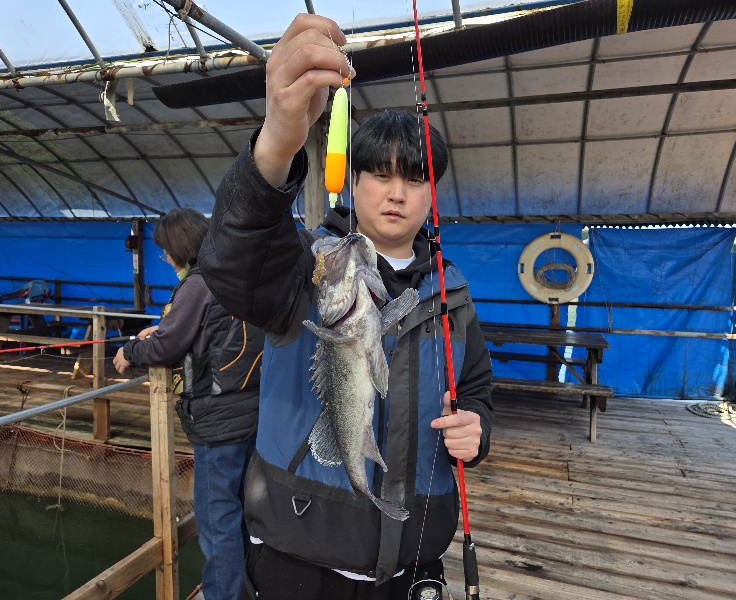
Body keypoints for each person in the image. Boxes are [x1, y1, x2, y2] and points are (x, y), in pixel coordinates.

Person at [198, 14, 493, 600]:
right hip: (297, 555)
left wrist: (476, 431)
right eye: (379, 174)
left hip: (413, 558)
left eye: (415, 179)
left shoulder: (453, 294)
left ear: (432, 194)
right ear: (352, 182)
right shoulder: (307, 265)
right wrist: (275, 144)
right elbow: (231, 262)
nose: (397, 192)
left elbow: (478, 389)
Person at [113, 208, 264, 600]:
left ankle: (223, 595)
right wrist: (163, 330)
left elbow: (168, 347)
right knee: (242, 511)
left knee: (217, 520)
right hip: (251, 414)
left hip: (218, 422)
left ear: (181, 247)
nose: (164, 257)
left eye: (166, 250)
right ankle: (247, 590)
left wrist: (130, 351)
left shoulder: (198, 283)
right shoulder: (235, 275)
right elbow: (208, 333)